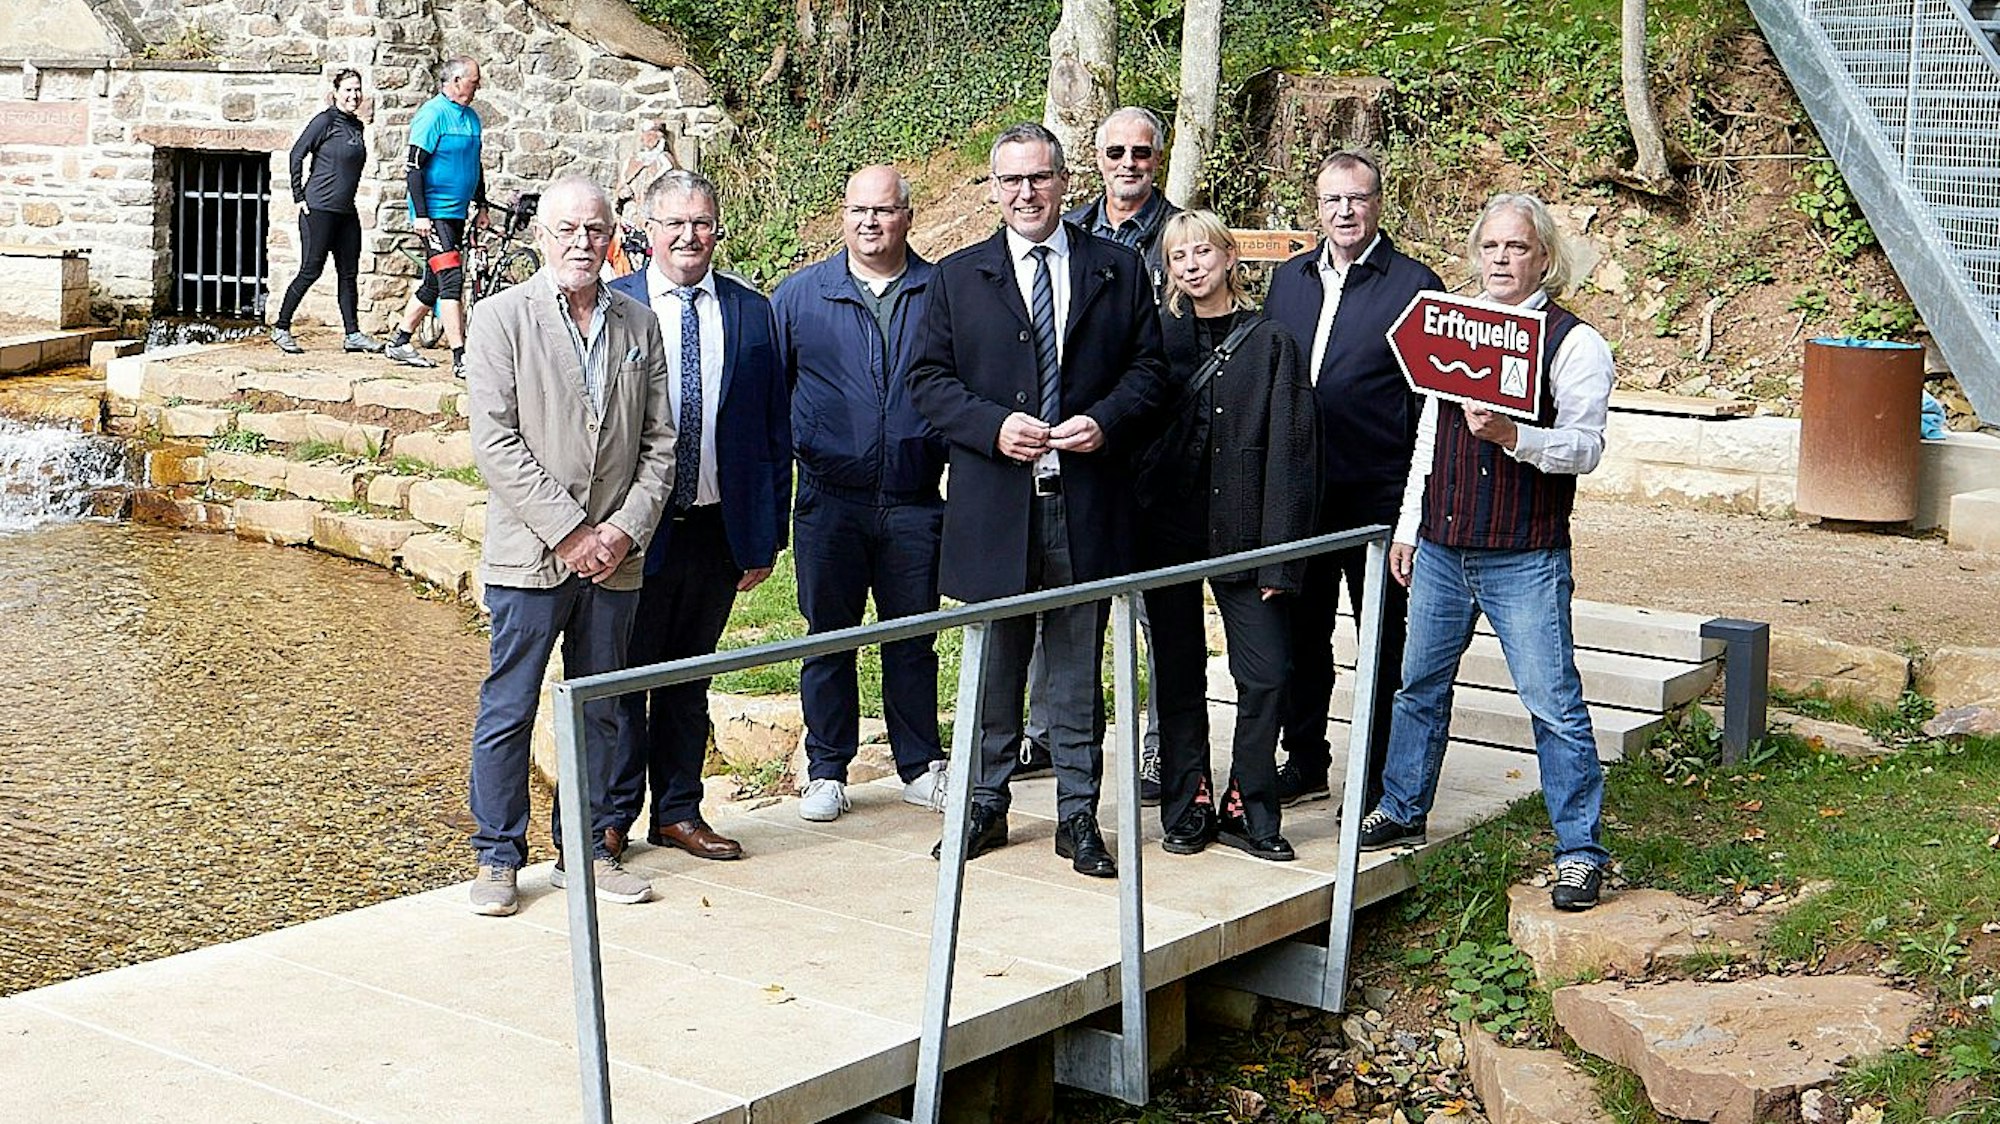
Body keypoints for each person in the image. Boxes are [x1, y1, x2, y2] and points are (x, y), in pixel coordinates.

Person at [907, 122, 1169, 879]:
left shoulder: (1116, 269)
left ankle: (1079, 814)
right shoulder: (958, 277)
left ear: (1063, 181)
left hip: (1085, 499)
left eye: (1040, 178)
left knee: (1077, 666)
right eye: (1011, 180)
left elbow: (1151, 372)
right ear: (994, 189)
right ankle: (985, 802)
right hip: (997, 503)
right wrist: (993, 427)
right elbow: (928, 381)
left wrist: (1105, 421)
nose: (1027, 193)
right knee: (994, 661)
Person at [1355, 193, 1615, 913]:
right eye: (1492, 247)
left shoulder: (1574, 343)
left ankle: (1580, 850)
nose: (1503, 260)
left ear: (1543, 258)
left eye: (1518, 248)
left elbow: (1586, 451)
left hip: (1523, 555)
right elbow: (1431, 439)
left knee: (1553, 704)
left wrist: (1514, 437)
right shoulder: (1456, 324)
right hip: (1440, 546)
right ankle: (1402, 806)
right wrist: (1408, 526)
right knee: (1418, 688)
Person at [462, 175, 675, 917]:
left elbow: (661, 445)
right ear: (541, 237)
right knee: (510, 705)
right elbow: (494, 441)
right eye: (566, 230)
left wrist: (619, 532)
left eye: (594, 230)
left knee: (601, 710)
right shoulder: (499, 320)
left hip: (616, 557)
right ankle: (497, 856)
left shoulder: (638, 326)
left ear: (612, 234)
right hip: (530, 554)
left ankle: (584, 851)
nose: (581, 243)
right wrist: (573, 532)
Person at [607, 170, 790, 863]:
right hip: (631, 530)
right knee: (624, 678)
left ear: (718, 228)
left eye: (702, 222)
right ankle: (610, 815)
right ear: (648, 231)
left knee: (688, 678)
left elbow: (773, 427)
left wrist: (768, 534)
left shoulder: (749, 312)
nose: (689, 236)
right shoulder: (614, 304)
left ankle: (678, 811)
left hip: (715, 528)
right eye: (674, 223)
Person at [1134, 212, 1316, 861]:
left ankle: (1249, 802)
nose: (1191, 264)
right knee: (1178, 678)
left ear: (1229, 256)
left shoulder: (1272, 342)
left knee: (1266, 674)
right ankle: (1189, 803)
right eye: (1178, 255)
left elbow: (1293, 456)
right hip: (1170, 535)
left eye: (1202, 250)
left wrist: (1281, 562)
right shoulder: (1158, 338)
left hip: (1247, 537)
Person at [1265, 149, 1443, 812]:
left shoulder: (1416, 288)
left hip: (1376, 498)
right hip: (1299, 499)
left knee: (1384, 646)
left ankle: (1376, 780)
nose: (1345, 211)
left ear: (1378, 203)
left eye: (1358, 198)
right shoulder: (1289, 281)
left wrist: (1413, 515)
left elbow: (1432, 409)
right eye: (1333, 200)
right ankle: (1305, 758)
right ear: (1316, 207)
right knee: (1299, 640)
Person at [773, 166, 948, 823]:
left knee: (914, 637)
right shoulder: (800, 297)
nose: (870, 222)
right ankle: (826, 770)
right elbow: (773, 394)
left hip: (913, 497)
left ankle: (919, 764)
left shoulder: (941, 293)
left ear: (908, 216)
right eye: (858, 210)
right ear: (842, 215)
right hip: (829, 500)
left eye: (884, 210)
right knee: (828, 636)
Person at [1020, 104, 1178, 802]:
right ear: (1095, 158)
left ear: (1158, 159)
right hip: (1067, 460)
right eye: (1115, 152)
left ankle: (1158, 751)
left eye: (1141, 152)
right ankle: (1044, 735)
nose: (1128, 164)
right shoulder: (1064, 229)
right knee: (1052, 600)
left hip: (1151, 452)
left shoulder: (1183, 236)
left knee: (1154, 618)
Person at [383, 56, 489, 377]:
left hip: (456, 213)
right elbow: (414, 167)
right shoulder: (432, 115)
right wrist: (421, 214)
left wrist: (481, 204)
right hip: (434, 213)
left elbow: (475, 164)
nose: (478, 85)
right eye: (474, 80)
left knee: (433, 283)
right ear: (456, 81)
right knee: (451, 280)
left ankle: (400, 341)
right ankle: (461, 357)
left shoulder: (471, 118)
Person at [271, 69, 383, 356]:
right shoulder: (325, 120)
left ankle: (353, 334)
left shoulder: (356, 126)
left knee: (348, 274)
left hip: (346, 213)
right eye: (347, 90)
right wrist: (298, 196)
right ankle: (281, 327)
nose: (353, 95)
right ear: (335, 92)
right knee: (311, 270)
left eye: (357, 90)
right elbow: (297, 153)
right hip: (318, 209)